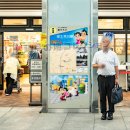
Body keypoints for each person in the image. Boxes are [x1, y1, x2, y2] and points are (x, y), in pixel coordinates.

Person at [92, 33, 119, 120]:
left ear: (109, 43)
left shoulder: (113, 54)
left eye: (107, 42)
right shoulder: (97, 54)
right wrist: (99, 66)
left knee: (111, 96)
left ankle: (110, 113)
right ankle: (103, 113)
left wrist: (117, 78)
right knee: (102, 96)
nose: (105, 43)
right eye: (103, 41)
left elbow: (116, 66)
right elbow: (93, 65)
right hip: (101, 78)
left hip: (111, 78)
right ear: (101, 43)